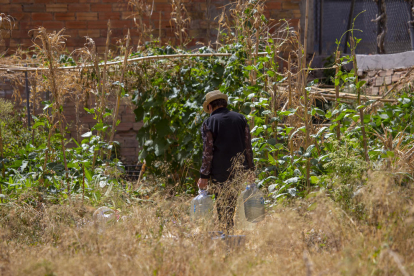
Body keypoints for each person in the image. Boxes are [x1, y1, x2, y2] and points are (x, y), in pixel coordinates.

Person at [197, 90, 255, 232]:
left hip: (219, 172)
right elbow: (248, 147)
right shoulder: (241, 119)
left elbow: (207, 151)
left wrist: (204, 176)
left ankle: (227, 236)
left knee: (223, 207)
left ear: (210, 107)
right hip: (239, 169)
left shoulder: (209, 122)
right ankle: (231, 233)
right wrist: (251, 170)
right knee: (232, 204)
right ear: (224, 104)